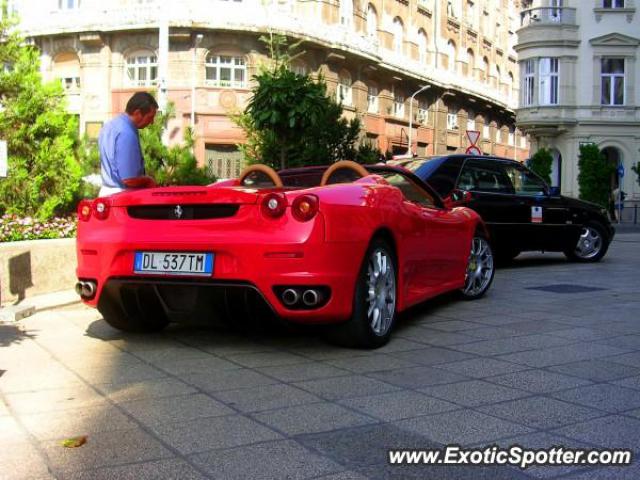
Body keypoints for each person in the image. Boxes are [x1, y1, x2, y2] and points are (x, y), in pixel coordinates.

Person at [98, 92, 159, 196]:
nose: (152, 122)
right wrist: (148, 180)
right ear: (137, 113)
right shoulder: (127, 133)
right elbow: (129, 179)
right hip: (122, 196)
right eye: (150, 117)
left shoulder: (109, 126)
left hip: (106, 191)